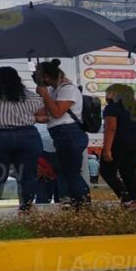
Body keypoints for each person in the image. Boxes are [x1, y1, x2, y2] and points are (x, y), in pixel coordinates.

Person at [0, 67, 46, 214]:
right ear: (17, 78)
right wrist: (30, 117)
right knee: (27, 176)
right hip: (27, 136)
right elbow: (43, 117)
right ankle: (25, 207)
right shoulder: (32, 96)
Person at [35, 59, 91, 208]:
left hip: (70, 134)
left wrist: (45, 94)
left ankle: (81, 203)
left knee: (71, 172)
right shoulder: (54, 91)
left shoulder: (68, 89)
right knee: (68, 171)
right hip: (60, 134)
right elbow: (45, 115)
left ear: (46, 76)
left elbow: (57, 112)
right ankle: (79, 202)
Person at [100, 84, 136, 207]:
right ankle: (134, 200)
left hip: (119, 143)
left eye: (108, 93)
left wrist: (107, 149)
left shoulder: (112, 108)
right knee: (129, 172)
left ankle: (125, 198)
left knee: (106, 171)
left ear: (115, 94)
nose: (106, 95)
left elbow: (111, 129)